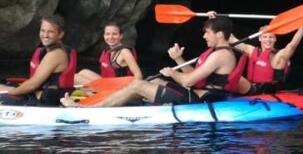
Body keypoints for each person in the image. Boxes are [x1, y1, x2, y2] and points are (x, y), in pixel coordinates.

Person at [61, 17, 242, 107]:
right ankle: (128, 100)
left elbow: (188, 81)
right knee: (152, 80)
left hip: (197, 100)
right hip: (195, 93)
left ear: (219, 34)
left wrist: (172, 73)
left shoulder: (222, 55)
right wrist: (178, 59)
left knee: (138, 85)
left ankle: (88, 109)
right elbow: (194, 75)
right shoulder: (217, 52)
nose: (204, 36)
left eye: (207, 33)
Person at [0, 15, 77, 106]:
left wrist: (10, 93)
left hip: (48, 99)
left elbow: (33, 85)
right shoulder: (47, 51)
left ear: (60, 34)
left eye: (50, 32)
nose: (45, 35)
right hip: (39, 93)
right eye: (42, 31)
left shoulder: (55, 54)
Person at [232, 24, 303, 95]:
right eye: (265, 37)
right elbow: (231, 39)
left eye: (271, 37)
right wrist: (220, 23)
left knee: (236, 78)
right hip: (251, 90)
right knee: (232, 75)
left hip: (267, 93)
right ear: (260, 38)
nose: (268, 40)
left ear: (275, 39)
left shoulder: (278, 57)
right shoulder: (252, 51)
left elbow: (292, 45)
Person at [74, 22, 143, 86]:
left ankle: (92, 94)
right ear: (104, 36)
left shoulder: (125, 52)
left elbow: (138, 75)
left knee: (75, 77)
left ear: (121, 36)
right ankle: (90, 93)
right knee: (84, 72)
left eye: (114, 34)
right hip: (107, 83)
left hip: (117, 88)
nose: (110, 37)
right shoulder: (107, 51)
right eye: (107, 34)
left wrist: (128, 91)